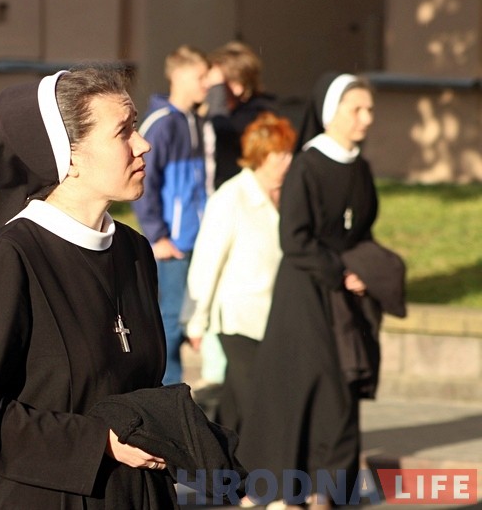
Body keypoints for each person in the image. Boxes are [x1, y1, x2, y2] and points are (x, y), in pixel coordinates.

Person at [0, 67, 184, 508]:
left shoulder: (134, 250)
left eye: (136, 126)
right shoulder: (11, 259)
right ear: (70, 155)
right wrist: (97, 441)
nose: (143, 144)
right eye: (123, 131)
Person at [238, 73, 383, 510]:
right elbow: (295, 239)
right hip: (304, 297)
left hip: (343, 296)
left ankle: (330, 494)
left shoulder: (360, 166)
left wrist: (367, 270)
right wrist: (340, 272)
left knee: (341, 394)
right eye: (356, 109)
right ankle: (287, 491)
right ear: (330, 112)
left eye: (369, 109)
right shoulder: (307, 164)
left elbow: (363, 229)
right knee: (309, 392)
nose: (366, 118)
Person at [182, 112, 295, 432]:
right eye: (278, 154)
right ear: (260, 156)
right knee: (259, 402)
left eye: (288, 152)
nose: (285, 161)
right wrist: (195, 320)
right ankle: (262, 473)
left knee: (235, 403)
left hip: (276, 318)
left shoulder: (289, 197)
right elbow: (207, 262)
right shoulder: (230, 198)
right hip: (239, 320)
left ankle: (223, 466)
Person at [131, 45, 210, 385]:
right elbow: (143, 180)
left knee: (183, 317)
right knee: (170, 320)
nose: (207, 83)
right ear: (178, 76)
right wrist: (158, 235)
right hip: (173, 243)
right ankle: (168, 395)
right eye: (200, 77)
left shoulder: (193, 120)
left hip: (195, 237)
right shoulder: (161, 123)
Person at [208, 41, 278, 190]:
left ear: (237, 85)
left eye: (218, 85)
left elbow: (220, 128)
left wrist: (216, 91)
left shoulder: (257, 115)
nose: (207, 87)